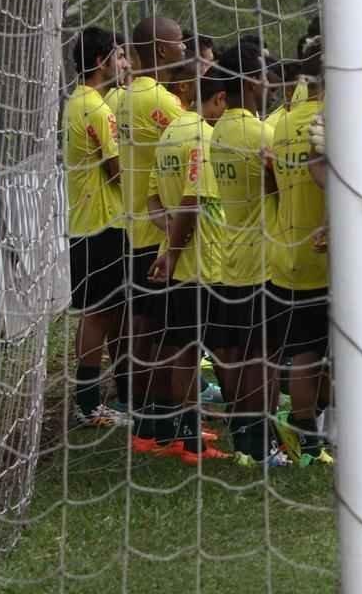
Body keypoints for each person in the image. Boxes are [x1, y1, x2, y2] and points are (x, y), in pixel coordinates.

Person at [105, 16, 187, 452]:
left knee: (141, 325)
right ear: (159, 49)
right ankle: (162, 423)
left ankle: (144, 419)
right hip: (159, 230)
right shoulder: (163, 105)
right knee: (165, 331)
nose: (184, 47)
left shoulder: (117, 97)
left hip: (130, 225)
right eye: (178, 42)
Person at [145, 65, 231, 464]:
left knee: (182, 348)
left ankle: (185, 433)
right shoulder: (204, 137)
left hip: (178, 262)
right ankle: (197, 439)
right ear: (218, 99)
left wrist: (168, 240)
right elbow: (193, 203)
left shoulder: (168, 134)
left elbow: (153, 202)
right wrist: (176, 250)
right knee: (216, 350)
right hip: (204, 262)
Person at [210, 41, 289, 466]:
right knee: (265, 355)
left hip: (229, 254)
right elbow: (281, 190)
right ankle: (263, 442)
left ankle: (244, 438)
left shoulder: (217, 129)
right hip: (262, 255)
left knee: (240, 353)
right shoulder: (261, 134)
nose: (269, 81)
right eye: (263, 73)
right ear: (250, 80)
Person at [266, 37, 335, 466]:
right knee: (324, 354)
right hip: (325, 252)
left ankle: (304, 437)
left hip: (286, 248)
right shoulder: (331, 120)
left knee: (303, 351)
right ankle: (311, 439)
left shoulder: (282, 123)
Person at [65, 27, 129, 427]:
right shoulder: (97, 109)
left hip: (90, 222)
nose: (124, 64)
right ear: (102, 60)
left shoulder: (78, 101)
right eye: (120, 56)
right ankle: (88, 405)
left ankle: (121, 396)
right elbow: (118, 170)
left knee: (113, 311)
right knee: (99, 314)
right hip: (101, 224)